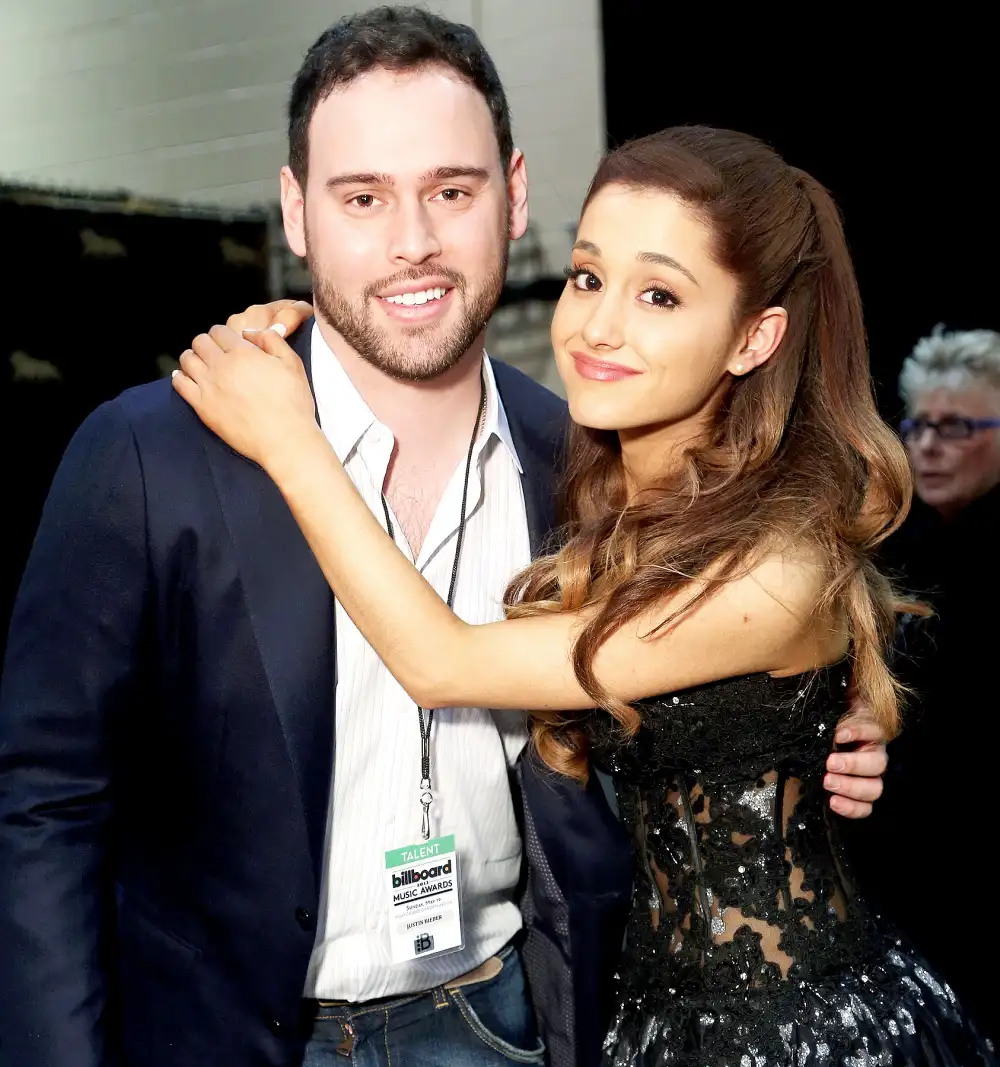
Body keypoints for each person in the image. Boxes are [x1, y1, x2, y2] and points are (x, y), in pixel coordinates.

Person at [0, 11, 887, 1067]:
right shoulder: (148, 452)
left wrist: (811, 729)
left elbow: (686, 668)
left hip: (503, 1019)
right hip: (226, 1035)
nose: (411, 238)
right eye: (362, 197)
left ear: (514, 197)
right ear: (297, 211)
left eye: (451, 191)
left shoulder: (586, 460)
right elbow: (45, 798)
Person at [171, 126, 997, 1066]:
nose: (599, 326)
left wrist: (291, 439)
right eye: (586, 277)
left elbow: (444, 662)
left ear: (753, 337)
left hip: (792, 1031)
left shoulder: (777, 565)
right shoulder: (611, 497)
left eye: (659, 295)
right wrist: (340, 333)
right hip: (651, 1014)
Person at [844, 326, 1000, 1042]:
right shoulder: (888, 551)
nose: (930, 445)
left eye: (959, 426)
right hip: (905, 862)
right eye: (919, 425)